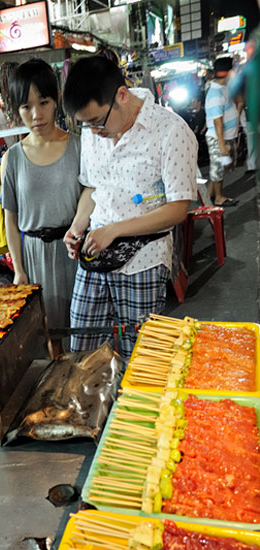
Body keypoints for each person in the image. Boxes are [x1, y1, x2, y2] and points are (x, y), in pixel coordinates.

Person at [62, 56, 198, 359]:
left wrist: (115, 230)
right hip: (96, 251)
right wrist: (78, 225)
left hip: (144, 260)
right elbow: (93, 187)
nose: (94, 132)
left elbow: (178, 209)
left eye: (98, 122)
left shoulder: (171, 132)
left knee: (138, 356)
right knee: (82, 348)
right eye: (87, 125)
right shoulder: (93, 132)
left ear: (122, 95)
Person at [0, 58, 82, 355]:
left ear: (56, 100)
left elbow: (92, 197)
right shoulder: (12, 158)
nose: (36, 114)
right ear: (16, 110)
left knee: (82, 330)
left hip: (75, 251)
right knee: (48, 337)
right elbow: (11, 219)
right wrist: (18, 269)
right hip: (34, 257)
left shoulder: (79, 146)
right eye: (26, 107)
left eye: (43, 102)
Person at [204, 57, 240, 206]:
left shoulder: (223, 88)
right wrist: (222, 146)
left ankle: (209, 196)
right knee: (217, 168)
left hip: (223, 136)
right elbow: (217, 122)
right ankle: (218, 198)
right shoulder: (215, 94)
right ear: (229, 72)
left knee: (218, 169)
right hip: (218, 137)